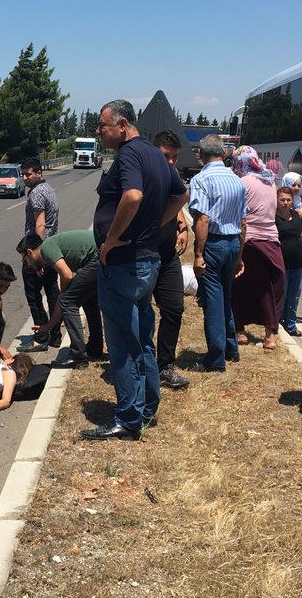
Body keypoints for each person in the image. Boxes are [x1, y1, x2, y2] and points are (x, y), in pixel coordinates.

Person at [81, 99, 187, 441]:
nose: (99, 132)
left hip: (124, 264)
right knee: (141, 338)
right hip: (148, 261)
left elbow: (133, 195)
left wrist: (112, 239)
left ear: (122, 125)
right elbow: (180, 195)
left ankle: (128, 419)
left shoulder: (128, 154)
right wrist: (155, 227)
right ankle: (147, 407)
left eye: (103, 126)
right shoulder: (156, 154)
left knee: (124, 343)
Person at [189, 135, 247, 371]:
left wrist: (198, 254)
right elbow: (244, 222)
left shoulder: (201, 179)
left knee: (212, 301)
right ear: (222, 154)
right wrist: (240, 254)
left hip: (213, 243)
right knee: (225, 297)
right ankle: (231, 347)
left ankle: (215, 358)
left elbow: (203, 218)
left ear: (200, 155)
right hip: (233, 242)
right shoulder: (237, 180)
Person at [17, 231, 103, 369]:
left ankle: (78, 356)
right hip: (101, 254)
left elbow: (67, 275)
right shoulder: (51, 252)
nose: (27, 265)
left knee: (68, 301)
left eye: (24, 259)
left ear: (30, 252)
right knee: (88, 299)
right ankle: (95, 347)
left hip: (97, 256)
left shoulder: (46, 249)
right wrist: (48, 327)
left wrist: (64, 295)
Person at [231, 146, 285, 351]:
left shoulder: (242, 182)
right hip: (271, 240)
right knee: (272, 286)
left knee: (241, 287)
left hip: (249, 240)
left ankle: (240, 330)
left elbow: (240, 216)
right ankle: (271, 332)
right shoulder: (270, 181)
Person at [152, 130, 190, 390]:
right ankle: (141, 365)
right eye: (166, 156)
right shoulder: (144, 176)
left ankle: (165, 365)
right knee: (141, 314)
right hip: (142, 256)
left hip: (167, 256)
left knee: (174, 309)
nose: (171, 162)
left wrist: (183, 226)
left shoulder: (173, 175)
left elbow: (178, 201)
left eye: (175, 157)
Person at [18, 157, 61, 352]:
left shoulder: (35, 194)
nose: (25, 178)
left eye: (29, 174)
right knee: (52, 292)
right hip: (52, 249)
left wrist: (37, 258)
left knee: (33, 295)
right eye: (23, 174)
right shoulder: (49, 190)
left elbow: (40, 225)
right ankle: (55, 335)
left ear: (39, 173)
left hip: (39, 251)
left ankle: (41, 334)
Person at [275, 187, 302, 336]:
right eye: (282, 200)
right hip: (281, 263)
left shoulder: (297, 216)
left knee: (294, 296)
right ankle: (277, 325)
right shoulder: (273, 217)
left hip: (297, 263)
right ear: (276, 200)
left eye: (288, 200)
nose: (286, 203)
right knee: (282, 295)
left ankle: (291, 325)